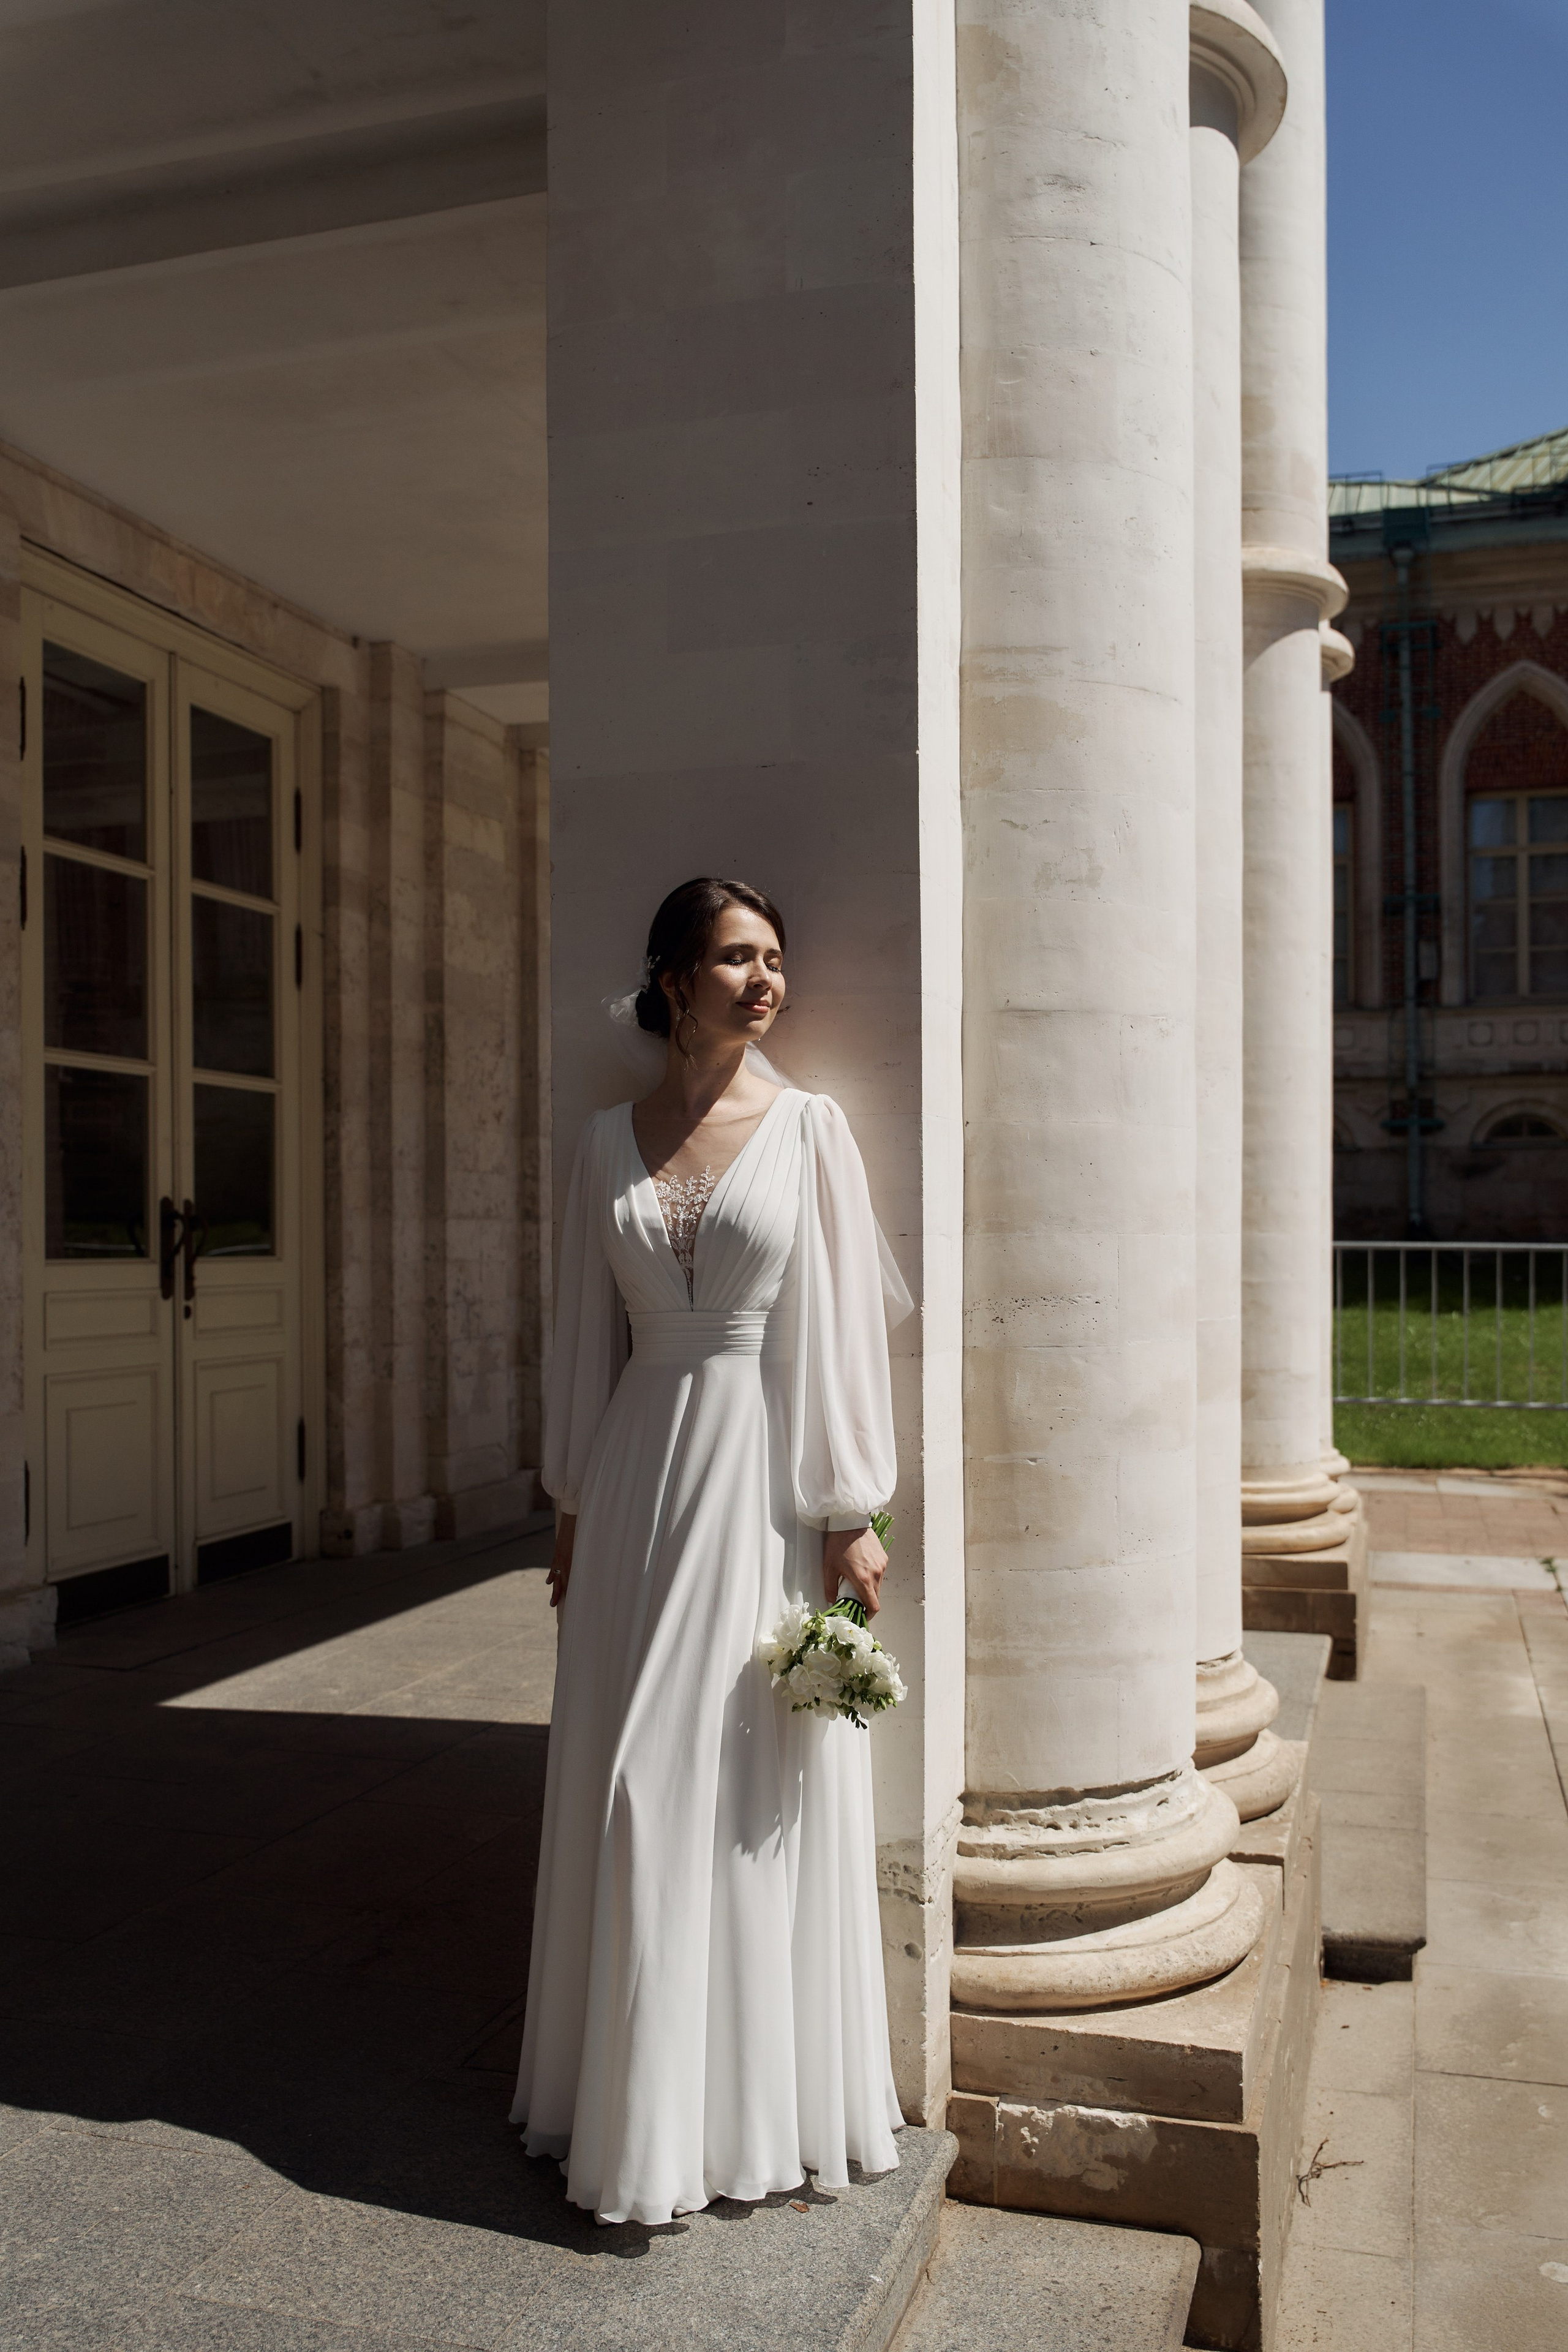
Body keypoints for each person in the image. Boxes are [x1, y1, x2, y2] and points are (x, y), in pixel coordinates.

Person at [511, 876, 909, 2226]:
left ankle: (729, 2119)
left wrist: (845, 1505)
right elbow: (579, 1341)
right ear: (673, 979)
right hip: (629, 1486)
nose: (764, 981)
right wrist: (568, 1507)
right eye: (736, 958)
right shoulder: (599, 1142)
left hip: (752, 1479)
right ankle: (618, 2107)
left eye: (775, 960)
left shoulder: (809, 1131)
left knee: (724, 1782)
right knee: (619, 1776)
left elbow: (843, 1325)